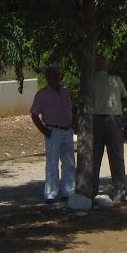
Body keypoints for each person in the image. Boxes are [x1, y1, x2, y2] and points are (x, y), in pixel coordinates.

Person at [29, 64, 75, 203]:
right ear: (47, 77)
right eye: (52, 75)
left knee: (69, 162)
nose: (55, 78)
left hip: (67, 130)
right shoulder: (42, 94)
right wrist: (45, 131)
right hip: (53, 131)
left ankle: (68, 192)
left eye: (57, 75)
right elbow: (34, 115)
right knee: (52, 163)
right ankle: (50, 194)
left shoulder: (65, 91)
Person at [91, 56, 127, 202]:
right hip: (113, 118)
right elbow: (124, 94)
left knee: (95, 157)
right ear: (107, 67)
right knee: (116, 156)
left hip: (96, 119)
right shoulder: (116, 80)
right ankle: (119, 191)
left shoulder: (91, 80)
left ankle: (91, 190)